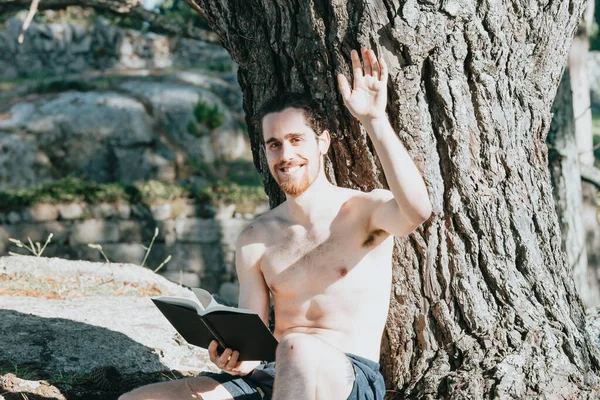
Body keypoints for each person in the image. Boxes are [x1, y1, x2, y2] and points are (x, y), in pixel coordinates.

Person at [119, 47, 432, 400]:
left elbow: (417, 210)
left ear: (323, 142)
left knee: (297, 346)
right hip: (272, 377)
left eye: (297, 140)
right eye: (274, 145)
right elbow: (251, 348)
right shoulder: (256, 238)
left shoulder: (364, 211)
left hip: (346, 377)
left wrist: (374, 119)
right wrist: (234, 360)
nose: (286, 156)